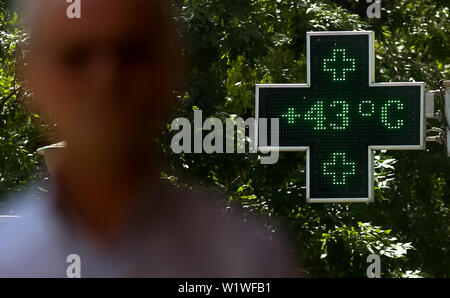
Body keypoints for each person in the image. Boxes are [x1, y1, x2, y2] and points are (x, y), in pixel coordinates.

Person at [0, 0, 300, 277]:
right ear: (30, 77)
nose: (106, 80)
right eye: (76, 57)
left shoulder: (249, 260)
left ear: (172, 69)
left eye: (130, 54)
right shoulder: (8, 259)